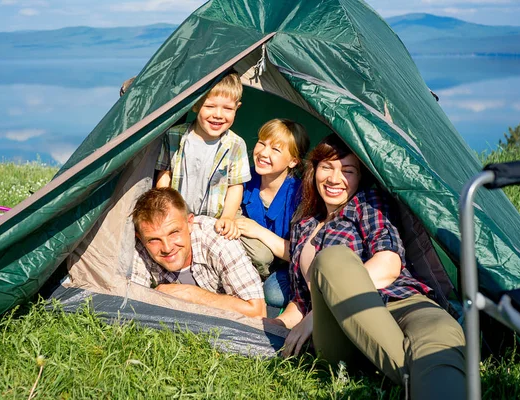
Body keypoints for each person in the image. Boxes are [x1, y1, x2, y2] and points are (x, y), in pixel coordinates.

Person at [267, 135, 466, 399]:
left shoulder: (368, 204)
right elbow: (301, 300)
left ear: (360, 178)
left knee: (439, 336)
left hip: (403, 302)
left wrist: (319, 310)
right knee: (331, 259)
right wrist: (275, 325)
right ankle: (418, 376)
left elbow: (389, 263)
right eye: (327, 167)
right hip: (342, 330)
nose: (335, 178)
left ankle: (423, 383)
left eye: (348, 171)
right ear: (314, 171)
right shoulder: (303, 225)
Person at [130, 187, 266, 318]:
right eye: (154, 240)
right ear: (140, 238)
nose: (167, 248)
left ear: (190, 223)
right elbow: (129, 306)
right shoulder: (138, 249)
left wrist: (192, 295)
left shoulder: (218, 241)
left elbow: (257, 312)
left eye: (174, 232)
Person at [155, 72, 250, 240]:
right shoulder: (175, 136)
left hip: (215, 218)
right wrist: (164, 208)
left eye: (227, 108)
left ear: (237, 108)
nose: (219, 115)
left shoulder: (236, 144)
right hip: (179, 214)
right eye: (210, 106)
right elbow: (164, 174)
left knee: (256, 251)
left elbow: (235, 186)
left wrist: (227, 216)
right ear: (196, 105)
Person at [234, 119, 310, 308]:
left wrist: (259, 231)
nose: (263, 153)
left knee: (274, 294)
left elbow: (300, 254)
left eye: (275, 150)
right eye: (262, 143)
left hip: (285, 265)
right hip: (246, 257)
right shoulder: (244, 180)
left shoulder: (299, 196)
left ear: (293, 161)